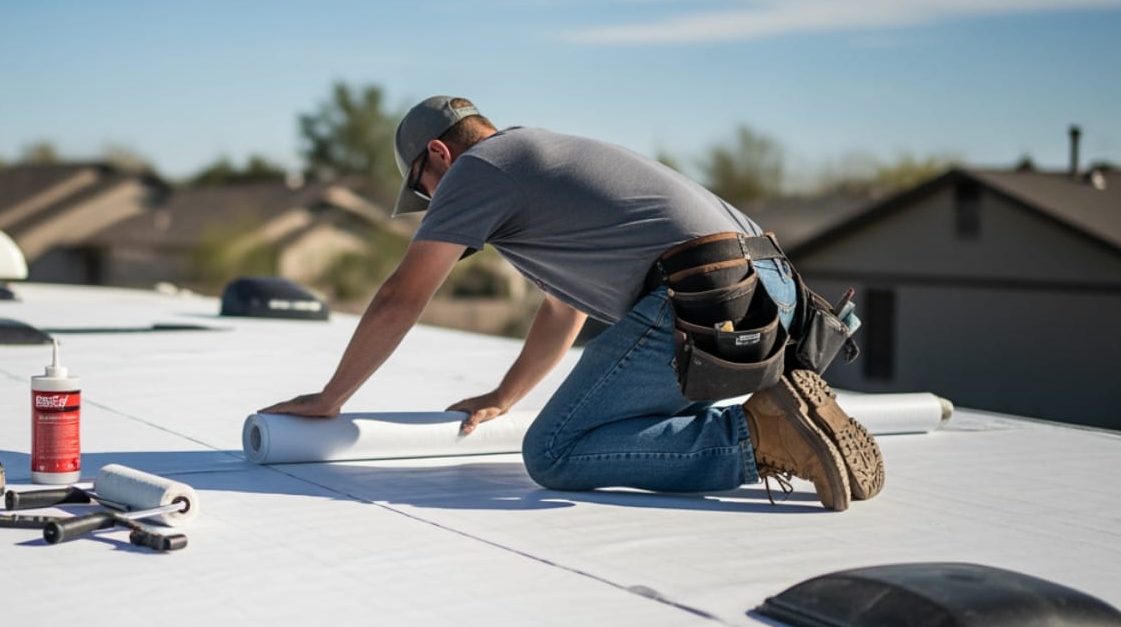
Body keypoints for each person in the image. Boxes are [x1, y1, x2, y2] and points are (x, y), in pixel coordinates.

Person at [260, 96, 883, 510]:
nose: (432, 207)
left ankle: (760, 434)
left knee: (555, 453)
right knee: (599, 427)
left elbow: (402, 295)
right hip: (774, 295)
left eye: (424, 191)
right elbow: (564, 308)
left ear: (441, 155)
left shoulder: (482, 171)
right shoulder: (537, 165)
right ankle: (800, 422)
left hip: (706, 295)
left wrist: (330, 398)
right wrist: (506, 397)